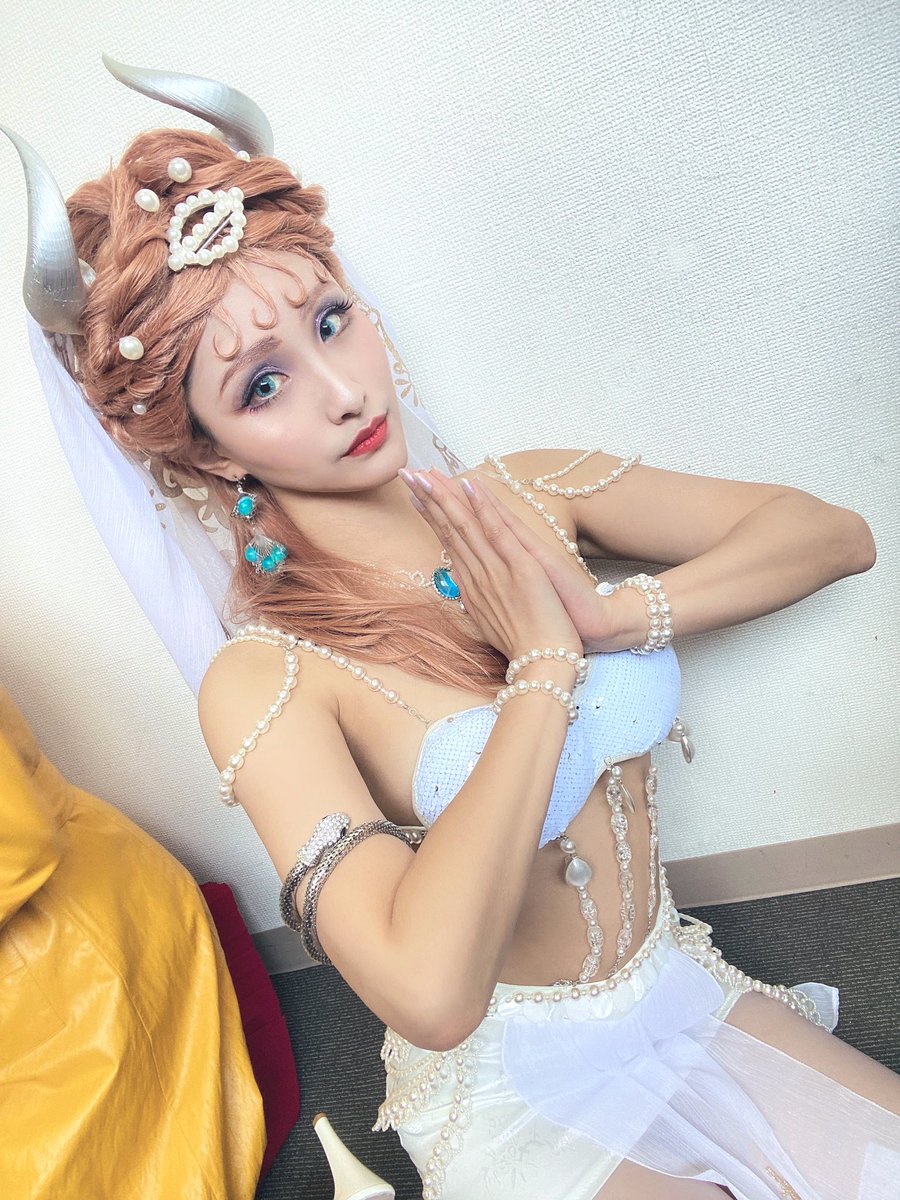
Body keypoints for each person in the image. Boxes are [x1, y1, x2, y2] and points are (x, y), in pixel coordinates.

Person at [4, 58, 899, 1200]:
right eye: (263, 385)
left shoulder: (531, 491)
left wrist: (612, 611)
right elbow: (426, 992)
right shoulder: (267, 679)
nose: (343, 390)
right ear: (214, 453)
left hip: (679, 994)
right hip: (521, 1088)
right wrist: (542, 672)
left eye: (331, 322)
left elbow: (831, 535)